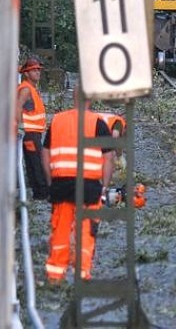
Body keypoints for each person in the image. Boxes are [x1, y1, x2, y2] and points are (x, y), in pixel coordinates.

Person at [42, 88, 114, 283]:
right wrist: (104, 187)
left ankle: (55, 274)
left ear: (73, 97)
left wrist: (51, 181)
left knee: (61, 228)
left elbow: (45, 154)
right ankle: (81, 273)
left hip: (61, 184)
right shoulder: (98, 122)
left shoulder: (57, 121)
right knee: (86, 229)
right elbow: (109, 159)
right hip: (89, 186)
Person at [17, 56, 49, 200]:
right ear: (26, 73)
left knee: (33, 162)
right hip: (29, 133)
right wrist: (20, 126)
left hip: (33, 133)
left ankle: (39, 193)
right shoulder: (26, 89)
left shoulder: (31, 89)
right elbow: (17, 107)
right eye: (34, 70)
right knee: (37, 162)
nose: (37, 72)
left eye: (38, 70)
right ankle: (42, 193)